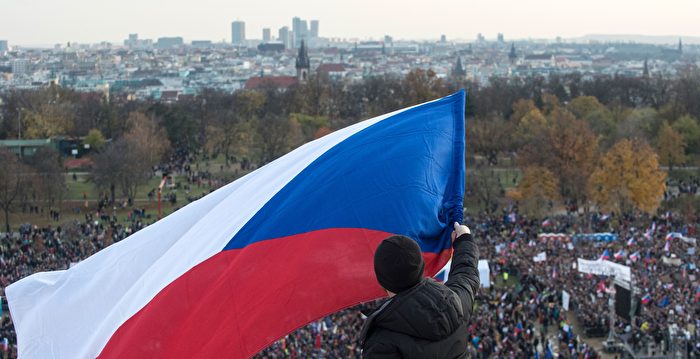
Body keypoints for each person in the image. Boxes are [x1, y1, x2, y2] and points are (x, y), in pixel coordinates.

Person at [360, 222, 480, 358]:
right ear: (421, 266)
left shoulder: (381, 344)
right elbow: (466, 273)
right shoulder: (456, 303)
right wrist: (464, 238)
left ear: (381, 281)